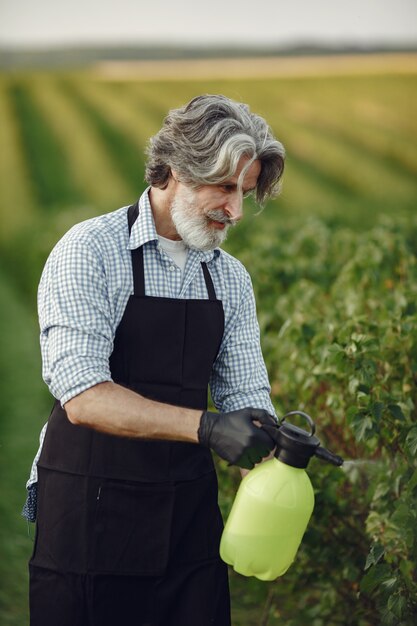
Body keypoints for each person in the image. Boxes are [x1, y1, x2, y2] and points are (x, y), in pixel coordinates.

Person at [23, 94, 285, 626]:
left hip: (187, 518)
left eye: (246, 193)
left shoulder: (228, 277)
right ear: (174, 170)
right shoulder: (90, 250)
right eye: (225, 188)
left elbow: (246, 395)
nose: (235, 212)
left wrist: (277, 439)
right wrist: (209, 428)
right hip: (90, 509)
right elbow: (85, 396)